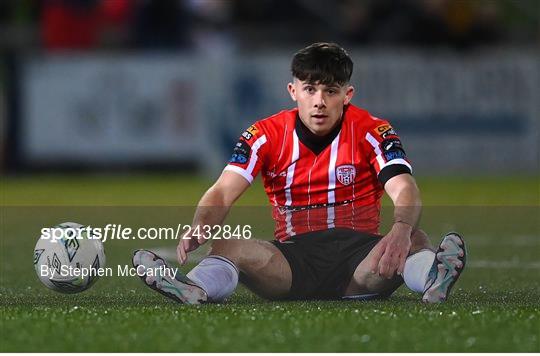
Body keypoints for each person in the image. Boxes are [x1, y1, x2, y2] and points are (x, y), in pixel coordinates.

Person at [133, 42, 466, 304]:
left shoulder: (372, 130)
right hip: (291, 263)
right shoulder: (265, 134)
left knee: (415, 239)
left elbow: (404, 187)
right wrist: (201, 223)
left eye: (330, 91)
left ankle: (432, 281)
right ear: (293, 91)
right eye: (310, 89)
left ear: (346, 95)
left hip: (361, 263)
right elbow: (221, 191)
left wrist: (401, 229)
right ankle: (194, 288)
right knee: (225, 246)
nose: (319, 101)